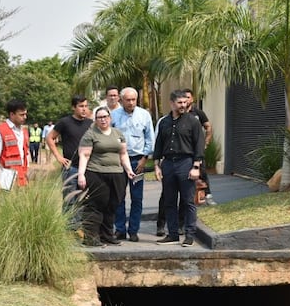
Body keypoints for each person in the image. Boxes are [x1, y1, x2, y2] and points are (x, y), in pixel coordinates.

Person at [77, 106, 135, 247]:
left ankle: (107, 236)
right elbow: (84, 156)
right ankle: (91, 237)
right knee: (96, 205)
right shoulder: (91, 134)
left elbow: (123, 154)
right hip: (96, 173)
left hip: (116, 174)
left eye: (105, 117)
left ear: (110, 118)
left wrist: (128, 169)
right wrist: (81, 175)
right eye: (99, 117)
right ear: (95, 120)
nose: (103, 120)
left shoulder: (118, 134)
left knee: (112, 205)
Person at [153, 89, 205, 246]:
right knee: (169, 201)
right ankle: (173, 234)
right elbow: (158, 145)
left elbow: (199, 145)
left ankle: (189, 235)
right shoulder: (164, 122)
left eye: (185, 102)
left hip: (186, 163)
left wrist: (196, 166)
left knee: (188, 201)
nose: (183, 105)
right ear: (172, 103)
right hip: (168, 164)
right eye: (180, 102)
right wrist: (157, 166)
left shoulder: (193, 121)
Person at [111, 87, 154, 242]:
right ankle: (120, 229)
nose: (130, 103)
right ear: (121, 100)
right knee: (118, 196)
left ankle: (133, 230)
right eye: (127, 100)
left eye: (133, 99)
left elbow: (150, 138)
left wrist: (144, 159)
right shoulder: (113, 116)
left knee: (137, 198)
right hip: (118, 162)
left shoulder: (144, 115)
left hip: (137, 162)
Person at [45, 95, 93, 225]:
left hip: (88, 168)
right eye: (81, 106)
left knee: (85, 200)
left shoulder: (91, 124)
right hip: (70, 168)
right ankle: (70, 230)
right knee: (69, 200)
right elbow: (50, 138)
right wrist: (58, 156)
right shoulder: (65, 122)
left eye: (86, 106)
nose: (84, 109)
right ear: (73, 107)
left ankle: (83, 228)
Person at [184, 88, 217, 206]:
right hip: (184, 150)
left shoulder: (198, 113)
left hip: (197, 149)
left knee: (202, 172)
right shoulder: (179, 113)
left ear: (192, 99)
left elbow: (208, 127)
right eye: (184, 97)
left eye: (188, 97)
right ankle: (188, 200)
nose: (186, 100)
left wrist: (206, 142)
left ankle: (208, 196)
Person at [0, 99, 29, 188]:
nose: (25, 117)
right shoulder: (0, 131)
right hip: (6, 179)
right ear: (12, 114)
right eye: (21, 115)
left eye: (25, 114)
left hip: (22, 178)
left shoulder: (24, 131)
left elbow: (25, 156)